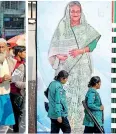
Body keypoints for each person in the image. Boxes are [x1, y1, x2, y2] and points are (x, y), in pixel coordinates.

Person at [48, 1, 101, 132]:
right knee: (67, 96)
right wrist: (58, 56)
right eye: (73, 11)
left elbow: (93, 45)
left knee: (82, 95)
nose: (75, 14)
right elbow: (54, 46)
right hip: (66, 67)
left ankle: (81, 127)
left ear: (81, 12)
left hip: (82, 67)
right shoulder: (62, 26)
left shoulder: (86, 28)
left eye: (78, 11)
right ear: (68, 12)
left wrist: (80, 51)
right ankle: (68, 125)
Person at [0, 38, 16, 133]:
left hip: (6, 94)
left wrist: (11, 78)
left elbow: (15, 77)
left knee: (6, 122)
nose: (0, 50)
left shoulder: (11, 61)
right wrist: (1, 79)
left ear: (6, 49)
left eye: (2, 47)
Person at [10, 46, 26, 133]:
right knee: (17, 114)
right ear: (19, 53)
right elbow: (15, 81)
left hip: (19, 91)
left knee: (18, 114)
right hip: (15, 91)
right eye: (24, 52)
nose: (26, 54)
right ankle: (16, 130)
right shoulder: (14, 63)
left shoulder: (22, 63)